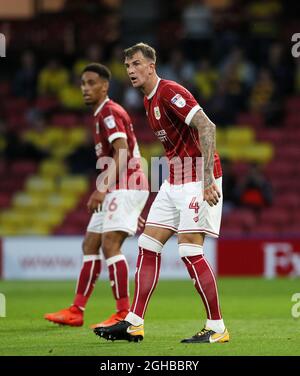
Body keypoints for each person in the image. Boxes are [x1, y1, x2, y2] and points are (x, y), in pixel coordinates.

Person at [95, 43, 229, 343]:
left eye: (137, 64)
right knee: (147, 244)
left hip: (198, 178)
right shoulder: (147, 101)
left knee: (189, 250)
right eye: (127, 65)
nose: (131, 70)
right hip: (175, 179)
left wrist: (208, 180)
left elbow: (207, 126)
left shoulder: (169, 92)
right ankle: (133, 322)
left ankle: (217, 327)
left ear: (151, 66)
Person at [44, 63, 149, 328]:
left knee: (110, 245)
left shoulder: (109, 112)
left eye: (91, 83)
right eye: (82, 83)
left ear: (105, 86)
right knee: (90, 244)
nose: (85, 88)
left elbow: (122, 151)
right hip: (120, 185)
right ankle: (76, 310)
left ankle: (124, 313)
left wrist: (102, 188)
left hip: (126, 183)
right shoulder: (101, 114)